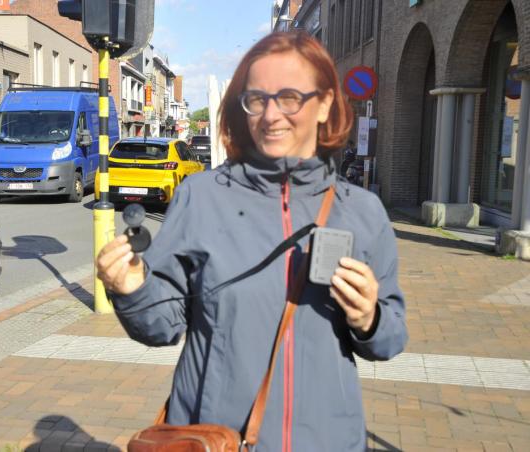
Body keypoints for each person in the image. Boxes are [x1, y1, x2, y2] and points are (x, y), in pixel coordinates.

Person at [97, 31, 407, 451]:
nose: (271, 115)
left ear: (325, 105)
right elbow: (162, 326)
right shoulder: (201, 197)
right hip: (215, 438)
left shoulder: (363, 212)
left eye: (290, 97)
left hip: (326, 438)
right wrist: (132, 289)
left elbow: (389, 339)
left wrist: (369, 316)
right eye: (257, 99)